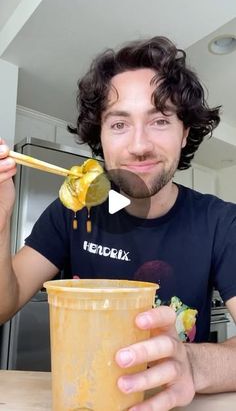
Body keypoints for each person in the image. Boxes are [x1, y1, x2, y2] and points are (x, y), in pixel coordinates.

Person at [1, 36, 236, 410]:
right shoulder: (73, 212)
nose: (139, 145)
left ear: (185, 133)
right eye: (119, 124)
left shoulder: (222, 222)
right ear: (100, 137)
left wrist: (192, 363)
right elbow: (4, 302)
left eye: (160, 120)